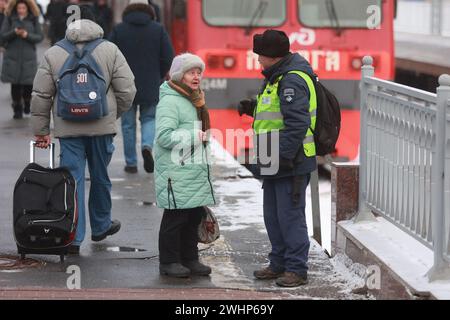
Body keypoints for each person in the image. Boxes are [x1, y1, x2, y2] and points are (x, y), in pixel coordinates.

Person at [30, 5, 137, 255]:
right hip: (101, 130)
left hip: (68, 131)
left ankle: (73, 237)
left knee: (72, 182)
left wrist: (41, 130)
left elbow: (41, 95)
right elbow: (128, 90)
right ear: (96, 23)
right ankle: (100, 226)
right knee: (100, 178)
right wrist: (112, 115)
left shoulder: (54, 52)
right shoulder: (110, 50)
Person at [237, 30, 317, 287]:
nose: (258, 60)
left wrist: (282, 156)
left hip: (290, 162)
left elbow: (297, 123)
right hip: (274, 158)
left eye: (260, 55)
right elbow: (277, 113)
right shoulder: (277, 76)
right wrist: (253, 108)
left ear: (272, 56)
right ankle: (279, 263)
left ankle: (296, 268)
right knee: (273, 215)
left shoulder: (292, 80)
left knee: (290, 215)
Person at [155, 53, 215, 278]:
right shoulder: (171, 101)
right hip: (176, 170)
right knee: (175, 218)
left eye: (199, 72)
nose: (197, 76)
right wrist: (194, 135)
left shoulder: (195, 98)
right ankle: (169, 261)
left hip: (193, 168)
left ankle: (190, 258)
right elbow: (163, 136)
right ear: (180, 76)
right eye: (192, 72)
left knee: (193, 216)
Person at [109, 0, 174, 174]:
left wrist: (115, 77)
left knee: (128, 125)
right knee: (149, 119)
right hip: (150, 83)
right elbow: (168, 56)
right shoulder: (158, 29)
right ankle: (147, 146)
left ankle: (131, 163)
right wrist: (158, 74)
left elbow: (109, 56)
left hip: (124, 85)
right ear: (149, 10)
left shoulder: (119, 29)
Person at [1, 0, 43, 119]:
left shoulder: (33, 18)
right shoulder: (9, 18)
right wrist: (14, 32)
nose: (21, 10)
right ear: (15, 8)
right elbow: (3, 35)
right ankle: (17, 108)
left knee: (28, 84)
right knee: (15, 84)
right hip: (12, 56)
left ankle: (27, 103)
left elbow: (40, 36)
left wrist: (27, 35)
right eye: (19, 8)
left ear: (28, 8)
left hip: (28, 57)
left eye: (23, 8)